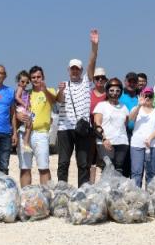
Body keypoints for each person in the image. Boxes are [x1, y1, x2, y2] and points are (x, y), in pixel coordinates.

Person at [54, 29, 99, 186]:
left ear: (80, 71)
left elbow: (92, 62)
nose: (74, 71)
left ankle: (83, 192)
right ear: (68, 70)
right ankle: (62, 191)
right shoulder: (63, 85)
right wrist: (60, 91)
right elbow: (59, 102)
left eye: (77, 69)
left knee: (83, 163)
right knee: (63, 162)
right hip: (64, 128)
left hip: (82, 128)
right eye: (72, 69)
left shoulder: (87, 82)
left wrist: (94, 46)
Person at [21, 66, 59, 187]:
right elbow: (18, 109)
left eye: (38, 77)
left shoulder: (50, 91)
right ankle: (26, 198)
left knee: (43, 167)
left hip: (41, 133)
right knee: (25, 168)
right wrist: (18, 116)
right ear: (30, 79)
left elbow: (54, 101)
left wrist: (44, 90)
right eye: (33, 77)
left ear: (43, 77)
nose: (36, 79)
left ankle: (46, 197)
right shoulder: (26, 94)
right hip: (25, 132)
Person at [94, 79, 131, 178]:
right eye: (112, 90)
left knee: (119, 168)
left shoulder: (124, 107)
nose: (114, 93)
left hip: (122, 142)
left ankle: (116, 192)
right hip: (106, 141)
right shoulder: (101, 106)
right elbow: (97, 125)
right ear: (107, 91)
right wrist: (104, 138)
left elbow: (125, 123)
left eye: (117, 91)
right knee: (108, 167)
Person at [127, 88, 155, 187]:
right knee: (136, 173)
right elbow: (130, 119)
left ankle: (149, 196)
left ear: (153, 97)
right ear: (142, 96)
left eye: (150, 95)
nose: (147, 98)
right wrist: (139, 105)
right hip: (137, 145)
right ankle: (137, 197)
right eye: (145, 95)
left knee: (151, 173)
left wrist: (150, 138)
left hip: (154, 145)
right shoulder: (137, 108)